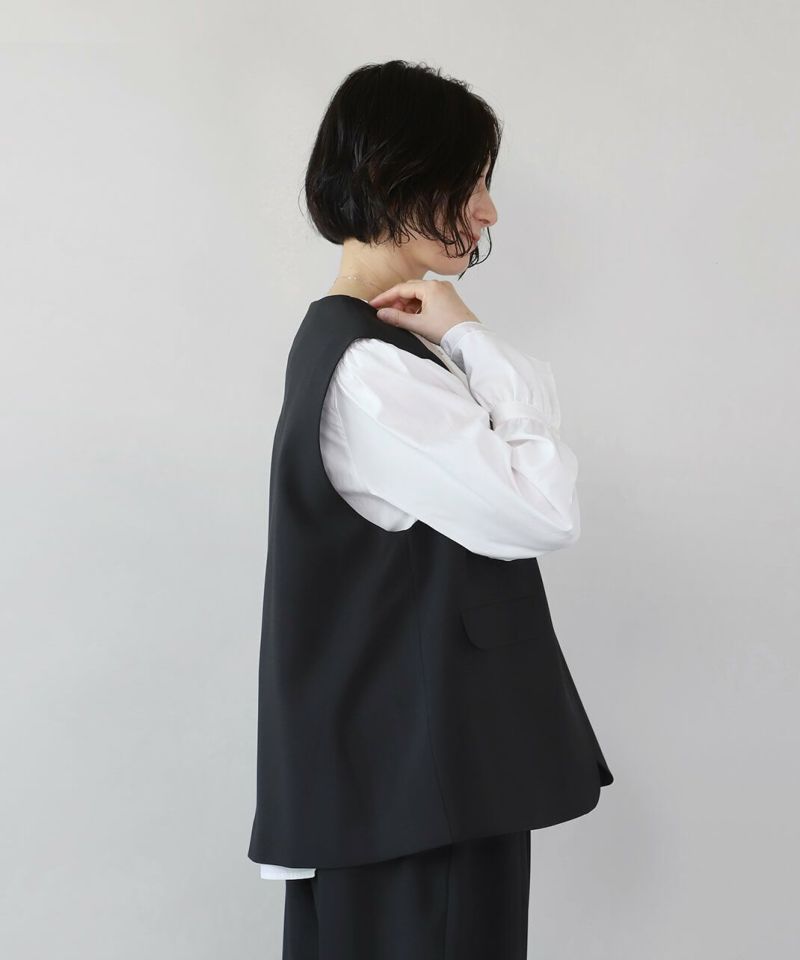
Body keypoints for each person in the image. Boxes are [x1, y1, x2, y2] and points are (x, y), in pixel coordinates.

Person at [247, 59, 613, 960]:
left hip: (405, 797)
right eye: (471, 181)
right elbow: (542, 510)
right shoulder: (373, 370)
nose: (488, 212)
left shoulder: (360, 349)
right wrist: (470, 337)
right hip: (417, 806)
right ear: (392, 177)